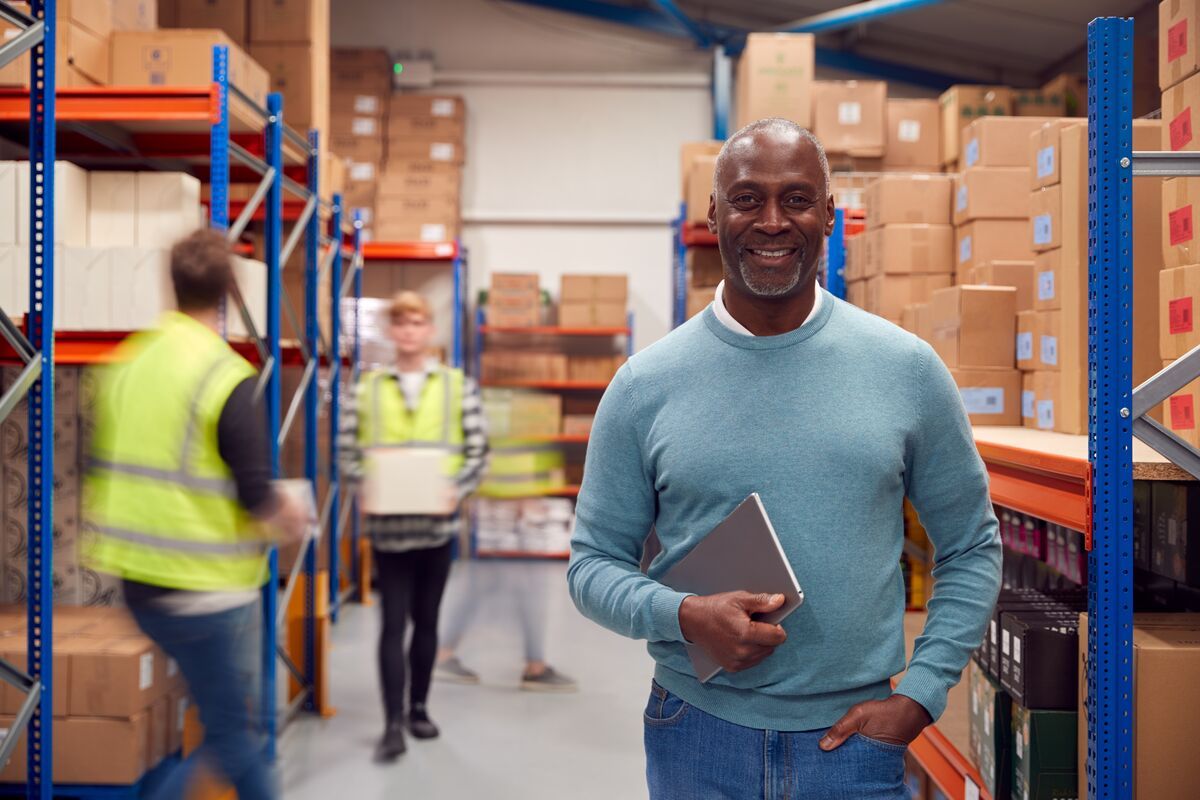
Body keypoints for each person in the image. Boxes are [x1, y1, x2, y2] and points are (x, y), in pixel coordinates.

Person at [568, 118, 1002, 799]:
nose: (772, 221)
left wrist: (922, 693)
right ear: (714, 213)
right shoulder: (644, 386)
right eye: (746, 199)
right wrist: (684, 614)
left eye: (797, 199)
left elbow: (972, 544)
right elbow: (591, 566)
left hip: (854, 742)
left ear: (830, 213)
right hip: (695, 731)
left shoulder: (906, 370)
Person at [84, 228, 310, 800]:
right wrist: (291, 516)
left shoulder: (127, 363)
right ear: (231, 295)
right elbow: (255, 495)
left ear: (173, 284)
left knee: (228, 730)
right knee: (239, 737)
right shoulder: (223, 376)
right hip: (209, 591)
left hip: (138, 583)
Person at [339, 290, 488, 763]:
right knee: (391, 625)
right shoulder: (367, 389)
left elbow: (477, 450)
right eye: (400, 324)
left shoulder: (455, 386)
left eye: (417, 323)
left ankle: (419, 708)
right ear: (390, 331)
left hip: (437, 528)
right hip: (389, 530)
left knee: (427, 622)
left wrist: (455, 489)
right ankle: (391, 724)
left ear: (429, 330)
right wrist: (366, 485)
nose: (409, 332)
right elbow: (346, 452)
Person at [435, 556, 577, 692]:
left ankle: (443, 653)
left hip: (505, 541)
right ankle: (535, 667)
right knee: (528, 588)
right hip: (510, 541)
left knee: (483, 584)